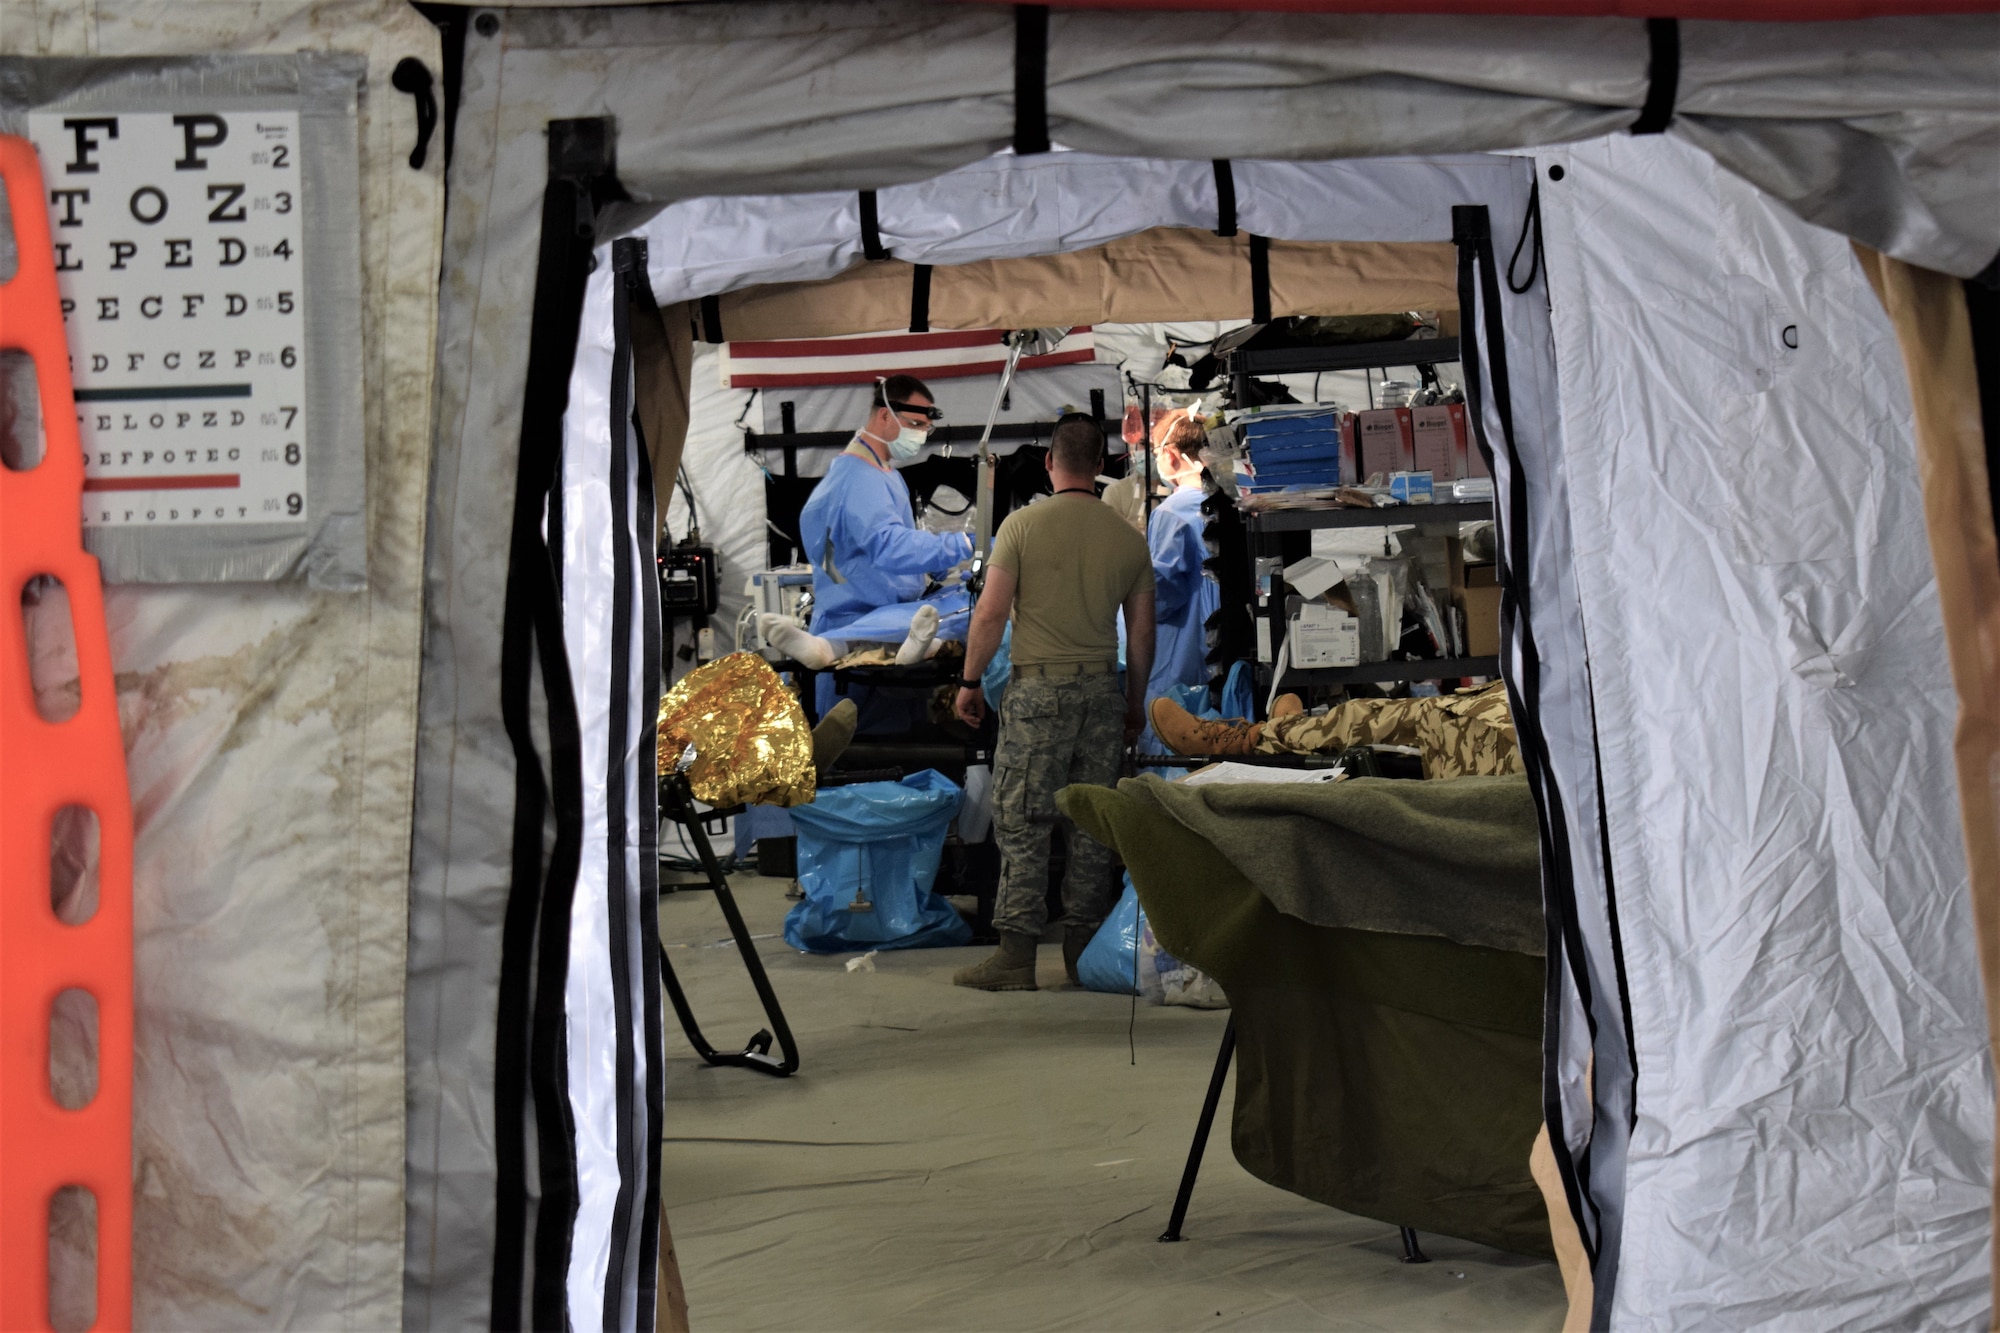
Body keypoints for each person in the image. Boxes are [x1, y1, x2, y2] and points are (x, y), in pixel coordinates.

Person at [949, 417, 1156, 991]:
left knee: (1022, 821)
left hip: (1038, 693)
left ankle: (1016, 956)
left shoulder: (1021, 526)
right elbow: (1141, 636)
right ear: (1102, 464)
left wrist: (969, 682)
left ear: (1049, 462)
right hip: (1100, 692)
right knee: (1090, 825)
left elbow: (990, 614)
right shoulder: (1128, 539)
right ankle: (1082, 954)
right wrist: (1133, 701)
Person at [762, 375, 973, 672]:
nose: (922, 435)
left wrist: (927, 563)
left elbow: (882, 541)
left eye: (927, 428)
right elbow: (889, 546)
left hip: (879, 610)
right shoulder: (858, 478)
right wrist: (961, 544)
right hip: (860, 618)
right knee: (969, 607)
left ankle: (918, 647)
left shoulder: (883, 473)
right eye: (915, 425)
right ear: (885, 415)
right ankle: (841, 644)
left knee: (956, 602)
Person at [1148, 681, 1522, 781]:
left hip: (1516, 755)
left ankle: (1254, 741)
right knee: (1388, 714)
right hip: (1516, 721)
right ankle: (1284, 730)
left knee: (1376, 721)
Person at [1137, 408, 1221, 752]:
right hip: (1222, 650)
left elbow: (1159, 596)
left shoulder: (1171, 512)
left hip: (1182, 659)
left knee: (1173, 749)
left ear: (1170, 455)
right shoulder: (1225, 501)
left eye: (1157, 453)